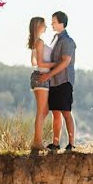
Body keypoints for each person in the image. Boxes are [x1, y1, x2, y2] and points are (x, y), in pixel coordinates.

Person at [38, 11, 76, 152]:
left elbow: (65, 62)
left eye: (54, 21)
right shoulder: (55, 39)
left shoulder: (67, 41)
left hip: (64, 80)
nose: (52, 24)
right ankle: (56, 143)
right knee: (55, 113)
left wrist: (48, 75)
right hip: (54, 81)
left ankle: (71, 144)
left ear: (61, 23)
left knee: (66, 112)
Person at [27, 16, 55, 152]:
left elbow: (33, 62)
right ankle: (37, 143)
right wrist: (56, 64)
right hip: (41, 78)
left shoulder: (36, 42)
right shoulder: (39, 42)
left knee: (44, 110)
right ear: (39, 26)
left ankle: (37, 141)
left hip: (39, 77)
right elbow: (39, 63)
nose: (47, 27)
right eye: (44, 25)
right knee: (41, 111)